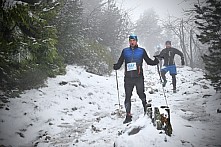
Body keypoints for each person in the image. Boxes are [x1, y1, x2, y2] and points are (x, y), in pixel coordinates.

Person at [113, 34, 159, 124]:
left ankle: (146, 110)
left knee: (141, 93)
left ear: (136, 41)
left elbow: (149, 61)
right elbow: (120, 62)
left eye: (133, 40)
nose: (132, 42)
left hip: (138, 78)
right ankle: (128, 115)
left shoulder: (141, 51)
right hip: (128, 78)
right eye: (130, 40)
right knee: (127, 96)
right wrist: (116, 66)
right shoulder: (125, 51)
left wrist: (155, 61)